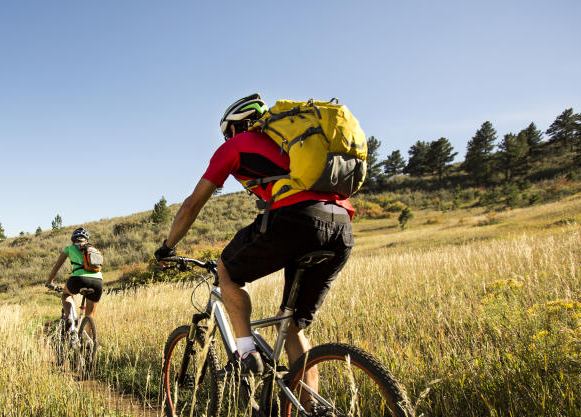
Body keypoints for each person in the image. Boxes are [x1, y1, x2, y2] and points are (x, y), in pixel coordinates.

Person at [153, 94, 354, 378]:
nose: (226, 139)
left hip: (298, 219)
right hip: (341, 225)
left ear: (235, 128)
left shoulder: (237, 145)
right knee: (292, 326)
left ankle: (247, 353)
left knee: (227, 268)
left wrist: (167, 246)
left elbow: (191, 205)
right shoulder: (294, 144)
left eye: (227, 134)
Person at [46, 227, 103, 333]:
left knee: (66, 295)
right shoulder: (93, 250)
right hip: (98, 281)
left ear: (73, 240)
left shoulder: (69, 248)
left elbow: (56, 267)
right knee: (90, 316)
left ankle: (68, 318)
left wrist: (50, 282)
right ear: (86, 240)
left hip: (78, 279)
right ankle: (90, 345)